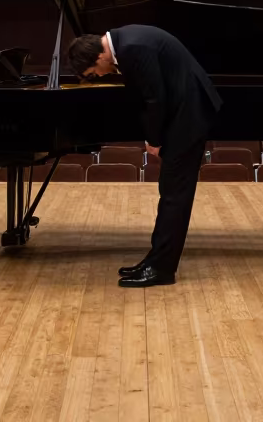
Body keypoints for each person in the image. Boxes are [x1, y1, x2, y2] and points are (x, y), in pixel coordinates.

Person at [68, 25, 222, 288]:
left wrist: (154, 140)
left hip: (188, 116)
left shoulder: (131, 48)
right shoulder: (126, 41)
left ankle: (162, 269)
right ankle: (155, 260)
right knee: (170, 192)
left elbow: (154, 98)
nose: (99, 76)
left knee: (175, 195)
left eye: (92, 73)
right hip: (185, 112)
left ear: (99, 57)